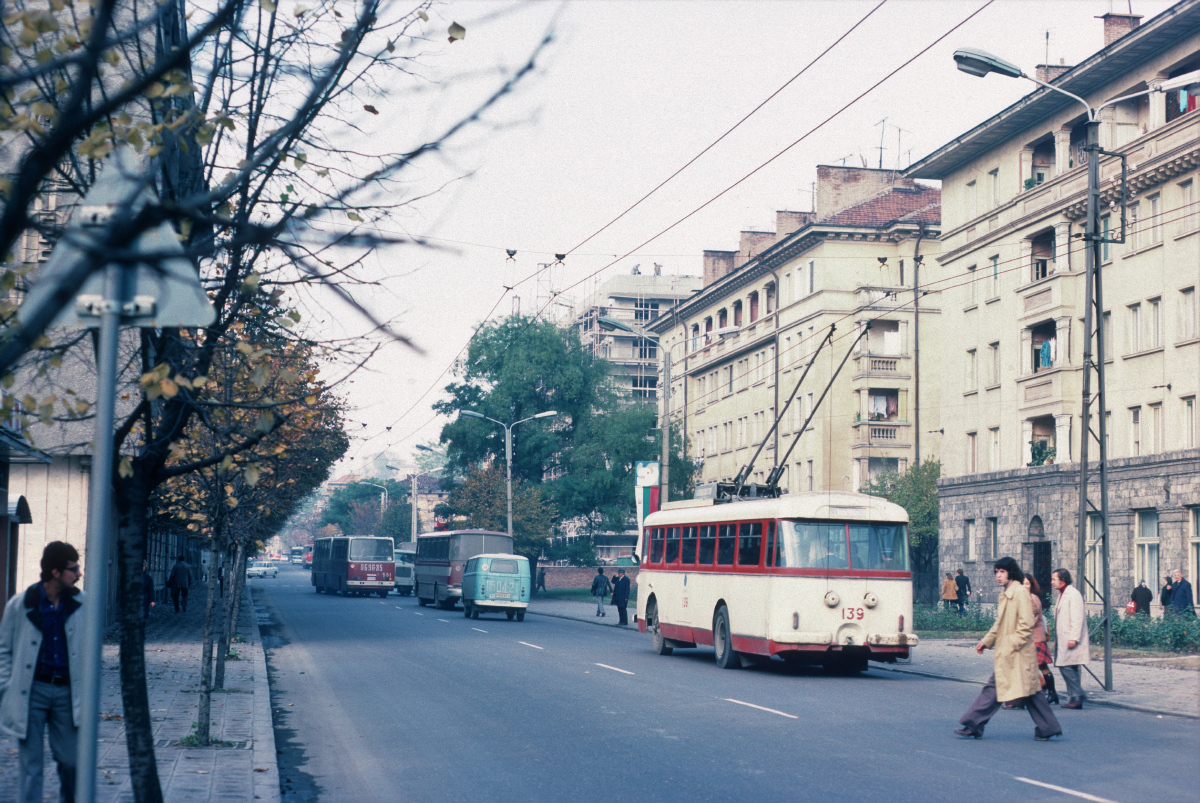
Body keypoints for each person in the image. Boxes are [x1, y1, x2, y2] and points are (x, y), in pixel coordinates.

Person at [0, 541, 85, 802]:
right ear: (56, 572)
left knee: (71, 762)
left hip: (67, 693)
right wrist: (6, 686)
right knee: (31, 766)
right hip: (31, 691)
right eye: (74, 568)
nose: (79, 573)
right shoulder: (21, 604)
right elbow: (4, 649)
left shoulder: (83, 605)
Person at [955, 557, 1062, 741]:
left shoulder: (1019, 592)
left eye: (1002, 572)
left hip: (1017, 653)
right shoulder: (1006, 594)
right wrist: (986, 641)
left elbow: (1027, 624)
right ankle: (1048, 727)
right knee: (1027, 690)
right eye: (996, 572)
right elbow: (1000, 623)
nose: (998, 575)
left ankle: (974, 723)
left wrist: (1009, 645)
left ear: (1010, 573)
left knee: (1006, 688)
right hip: (1011, 654)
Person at [1052, 568, 1089, 709]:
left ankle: (1078, 693)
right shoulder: (1062, 594)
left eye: (1054, 579)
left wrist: (1073, 637)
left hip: (1071, 639)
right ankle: (1074, 700)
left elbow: (1077, 618)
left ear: (1063, 580)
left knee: (1065, 665)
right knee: (1070, 667)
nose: (1052, 582)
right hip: (1063, 639)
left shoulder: (1073, 594)